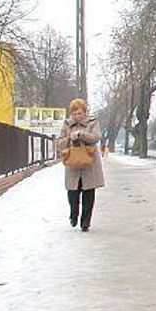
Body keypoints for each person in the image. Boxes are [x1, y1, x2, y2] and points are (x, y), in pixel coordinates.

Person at [56, 98, 105, 231]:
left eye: (80, 113)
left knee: (89, 193)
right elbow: (59, 143)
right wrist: (69, 138)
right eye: (74, 114)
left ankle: (85, 223)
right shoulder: (67, 124)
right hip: (73, 162)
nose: (77, 116)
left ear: (85, 112)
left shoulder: (92, 122)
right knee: (73, 192)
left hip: (89, 162)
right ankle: (74, 214)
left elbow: (96, 137)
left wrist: (81, 134)